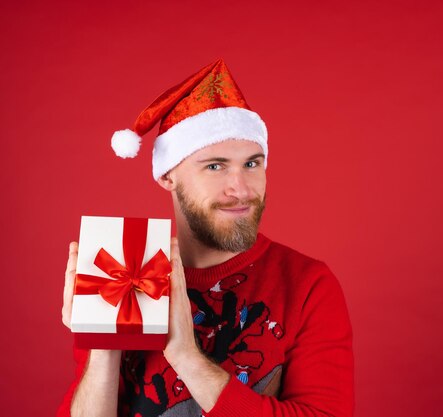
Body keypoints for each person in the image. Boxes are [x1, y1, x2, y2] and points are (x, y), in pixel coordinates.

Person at [57, 59, 354, 417]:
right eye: (215, 166)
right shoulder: (126, 272)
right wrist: (101, 343)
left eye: (252, 163)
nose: (241, 189)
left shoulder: (307, 285)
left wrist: (186, 356)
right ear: (168, 176)